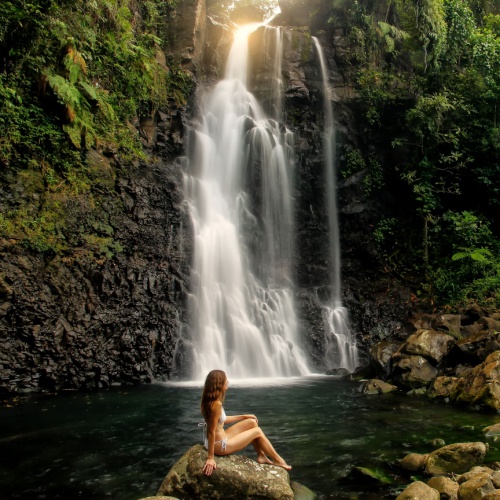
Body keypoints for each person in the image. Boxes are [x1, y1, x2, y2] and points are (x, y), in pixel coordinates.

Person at [200, 369, 292, 476]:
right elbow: (211, 431)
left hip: (219, 439)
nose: (228, 381)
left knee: (251, 422)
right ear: (219, 384)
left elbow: (220, 420)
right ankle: (278, 459)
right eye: (226, 380)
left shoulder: (210, 401)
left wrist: (243, 416)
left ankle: (261, 455)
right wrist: (210, 457)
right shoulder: (216, 405)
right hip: (220, 445)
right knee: (257, 431)